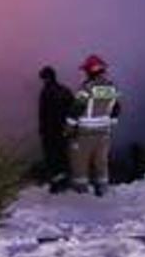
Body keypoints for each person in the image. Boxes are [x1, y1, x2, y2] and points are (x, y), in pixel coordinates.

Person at [66, 54, 123, 196]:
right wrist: (109, 122)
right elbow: (117, 108)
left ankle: (81, 193)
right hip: (104, 133)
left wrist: (69, 128)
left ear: (90, 71)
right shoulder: (112, 88)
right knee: (101, 163)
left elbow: (76, 109)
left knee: (80, 163)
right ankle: (102, 190)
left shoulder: (86, 88)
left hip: (85, 133)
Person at [37, 65, 75, 191]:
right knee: (62, 156)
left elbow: (43, 114)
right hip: (63, 131)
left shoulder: (46, 92)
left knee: (52, 158)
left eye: (44, 78)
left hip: (50, 132)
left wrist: (42, 130)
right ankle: (64, 182)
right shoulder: (65, 90)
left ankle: (56, 184)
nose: (43, 80)